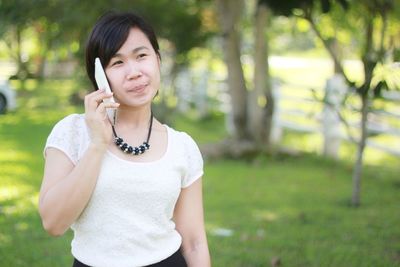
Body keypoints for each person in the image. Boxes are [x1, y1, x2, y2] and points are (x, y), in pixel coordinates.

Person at [38, 11, 211, 267]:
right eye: (117, 63)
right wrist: (97, 144)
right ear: (99, 77)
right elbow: (53, 223)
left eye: (141, 56)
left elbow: (194, 241)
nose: (134, 72)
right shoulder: (73, 132)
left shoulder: (182, 146)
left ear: (158, 61)